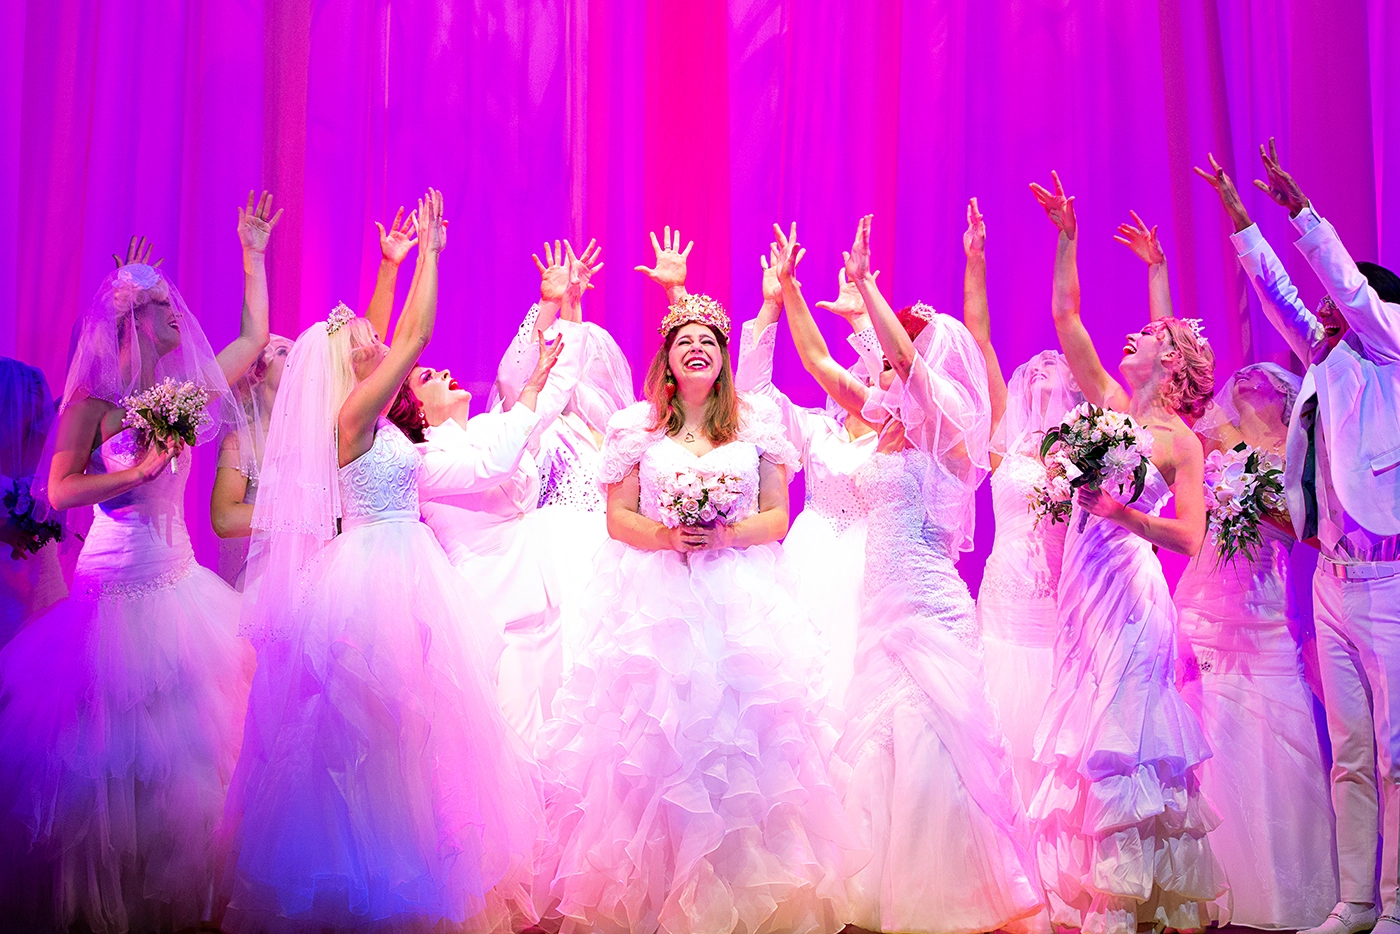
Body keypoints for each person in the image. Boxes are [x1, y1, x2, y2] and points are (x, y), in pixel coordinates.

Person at [221, 189, 544, 933]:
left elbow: (395, 336)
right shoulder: (351, 416)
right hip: (378, 578)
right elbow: (414, 338)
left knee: (417, 729)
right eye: (362, 341)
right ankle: (371, 879)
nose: (374, 339)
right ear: (346, 363)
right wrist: (431, 255)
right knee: (372, 727)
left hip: (402, 567)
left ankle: (415, 866)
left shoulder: (364, 411)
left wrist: (395, 269)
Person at [535, 228, 862, 934]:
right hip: (656, 601)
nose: (697, 349)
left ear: (722, 358)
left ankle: (742, 896)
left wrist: (722, 534)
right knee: (657, 740)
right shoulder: (636, 428)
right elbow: (617, 517)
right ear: (668, 357)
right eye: (684, 340)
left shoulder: (756, 426)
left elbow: (776, 517)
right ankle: (658, 899)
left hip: (739, 601)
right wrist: (664, 536)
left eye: (709, 341)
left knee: (738, 745)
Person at [0, 192, 279, 933]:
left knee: (185, 758)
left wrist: (252, 253)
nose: (178, 317)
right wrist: (133, 472)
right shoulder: (90, 401)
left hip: (178, 585)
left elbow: (254, 338)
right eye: (163, 309)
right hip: (112, 588)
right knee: (106, 758)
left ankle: (179, 901)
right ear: (133, 322)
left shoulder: (179, 395)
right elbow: (59, 489)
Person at [774, 216, 1044, 934]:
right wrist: (790, 291)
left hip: (928, 601)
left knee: (931, 738)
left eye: (908, 355)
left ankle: (950, 892)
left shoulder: (949, 424)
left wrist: (867, 286)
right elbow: (819, 364)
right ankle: (880, 887)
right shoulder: (888, 420)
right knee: (880, 741)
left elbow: (908, 365)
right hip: (881, 601)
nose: (894, 367)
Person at [1196, 141, 1400, 934]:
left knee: (1395, 752)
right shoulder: (1330, 363)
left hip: (1388, 581)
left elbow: (1345, 287)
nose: (1323, 315)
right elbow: (1281, 296)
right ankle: (1356, 903)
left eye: (1338, 308)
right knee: (1350, 754)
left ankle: (1396, 904)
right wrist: (1241, 220)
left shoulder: (1389, 346)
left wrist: (1301, 211)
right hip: (1333, 581)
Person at [1028, 171, 1224, 933]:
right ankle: (1092, 885)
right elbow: (1065, 315)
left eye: (1147, 337)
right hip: (1084, 584)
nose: (1130, 338)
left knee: (1126, 729)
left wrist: (1123, 514)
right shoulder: (1108, 405)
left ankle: (1134, 898)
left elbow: (1190, 536)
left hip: (1134, 595)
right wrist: (1066, 238)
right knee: (1088, 726)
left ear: (1169, 364)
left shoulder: (1180, 441)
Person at [1177, 364, 1339, 928]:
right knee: (1203, 726)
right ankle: (1200, 882)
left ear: (1286, 395)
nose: (1246, 374)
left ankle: (1275, 884)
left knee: (1272, 731)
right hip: (1203, 597)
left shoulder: (1299, 450)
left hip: (1264, 606)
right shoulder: (1209, 442)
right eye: (1241, 373)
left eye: (1263, 374)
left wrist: (1249, 494)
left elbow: (1309, 527)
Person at [962, 197, 1084, 806]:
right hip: (1006, 593)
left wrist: (1067, 242)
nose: (1040, 374)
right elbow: (979, 339)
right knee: (1002, 718)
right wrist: (976, 260)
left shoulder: (1091, 449)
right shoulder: (1003, 441)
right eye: (1034, 372)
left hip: (1059, 597)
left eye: (1053, 372)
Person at [733, 248, 884, 707]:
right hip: (810, 552)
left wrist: (861, 319)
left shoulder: (897, 439)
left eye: (867, 379)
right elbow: (753, 395)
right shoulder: (815, 428)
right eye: (852, 381)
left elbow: (895, 380)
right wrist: (770, 308)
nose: (859, 387)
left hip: (872, 559)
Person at [492, 238, 632, 667]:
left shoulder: (618, 435)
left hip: (615, 557)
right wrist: (552, 305)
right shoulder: (540, 429)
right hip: (557, 559)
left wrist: (574, 308)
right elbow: (512, 380)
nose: (588, 370)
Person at [210, 333, 293, 588]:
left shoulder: (322, 433)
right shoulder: (240, 442)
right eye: (283, 352)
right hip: (268, 578)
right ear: (258, 374)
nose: (296, 358)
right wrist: (295, 513)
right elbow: (224, 518)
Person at [0, 354, 64, 640]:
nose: (39, 399)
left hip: (42, 574)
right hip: (6, 579)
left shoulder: (48, 445)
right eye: (29, 392)